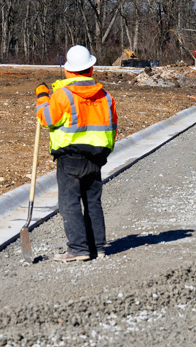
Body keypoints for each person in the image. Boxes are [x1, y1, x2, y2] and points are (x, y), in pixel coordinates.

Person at [36, 45, 117, 262]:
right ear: (91, 68)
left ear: (68, 70)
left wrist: (43, 98)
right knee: (93, 201)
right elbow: (112, 126)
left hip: (70, 157)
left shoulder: (63, 94)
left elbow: (47, 119)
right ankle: (97, 246)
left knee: (69, 203)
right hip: (96, 157)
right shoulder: (106, 96)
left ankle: (78, 249)